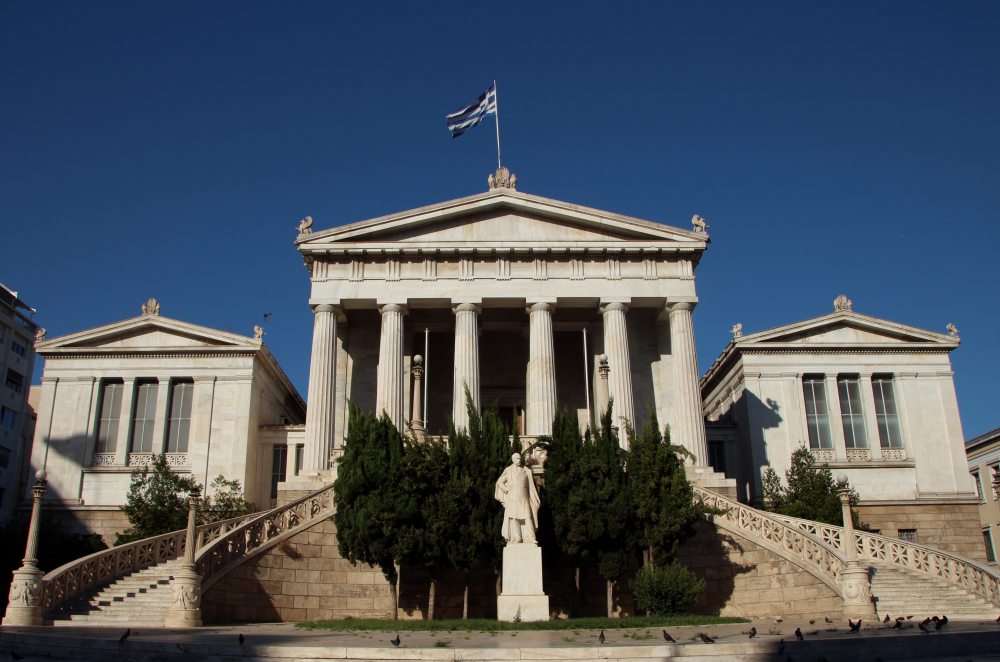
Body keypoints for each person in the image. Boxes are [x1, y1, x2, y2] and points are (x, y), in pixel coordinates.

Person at [495, 452, 540, 544]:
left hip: (524, 498)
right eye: (517, 459)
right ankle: (517, 537)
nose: (519, 460)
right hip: (512, 498)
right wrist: (506, 489)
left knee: (528, 517)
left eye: (520, 459)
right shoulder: (508, 470)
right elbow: (499, 482)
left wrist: (534, 499)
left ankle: (531, 537)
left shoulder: (526, 471)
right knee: (514, 518)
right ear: (512, 459)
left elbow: (531, 486)